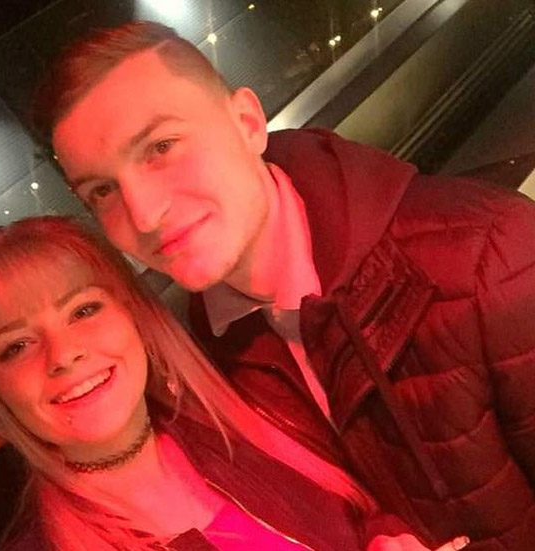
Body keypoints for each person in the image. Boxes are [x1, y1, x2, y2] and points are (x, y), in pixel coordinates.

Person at [31, 21, 535, 550]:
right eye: (103, 191)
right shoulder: (212, 348)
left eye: (161, 147)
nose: (144, 214)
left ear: (248, 124)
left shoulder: (491, 255)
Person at [0, 216, 471, 551]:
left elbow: (360, 515)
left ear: (135, 316)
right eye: (15, 347)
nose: (64, 354)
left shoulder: (240, 421)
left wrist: (386, 538)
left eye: (83, 310)